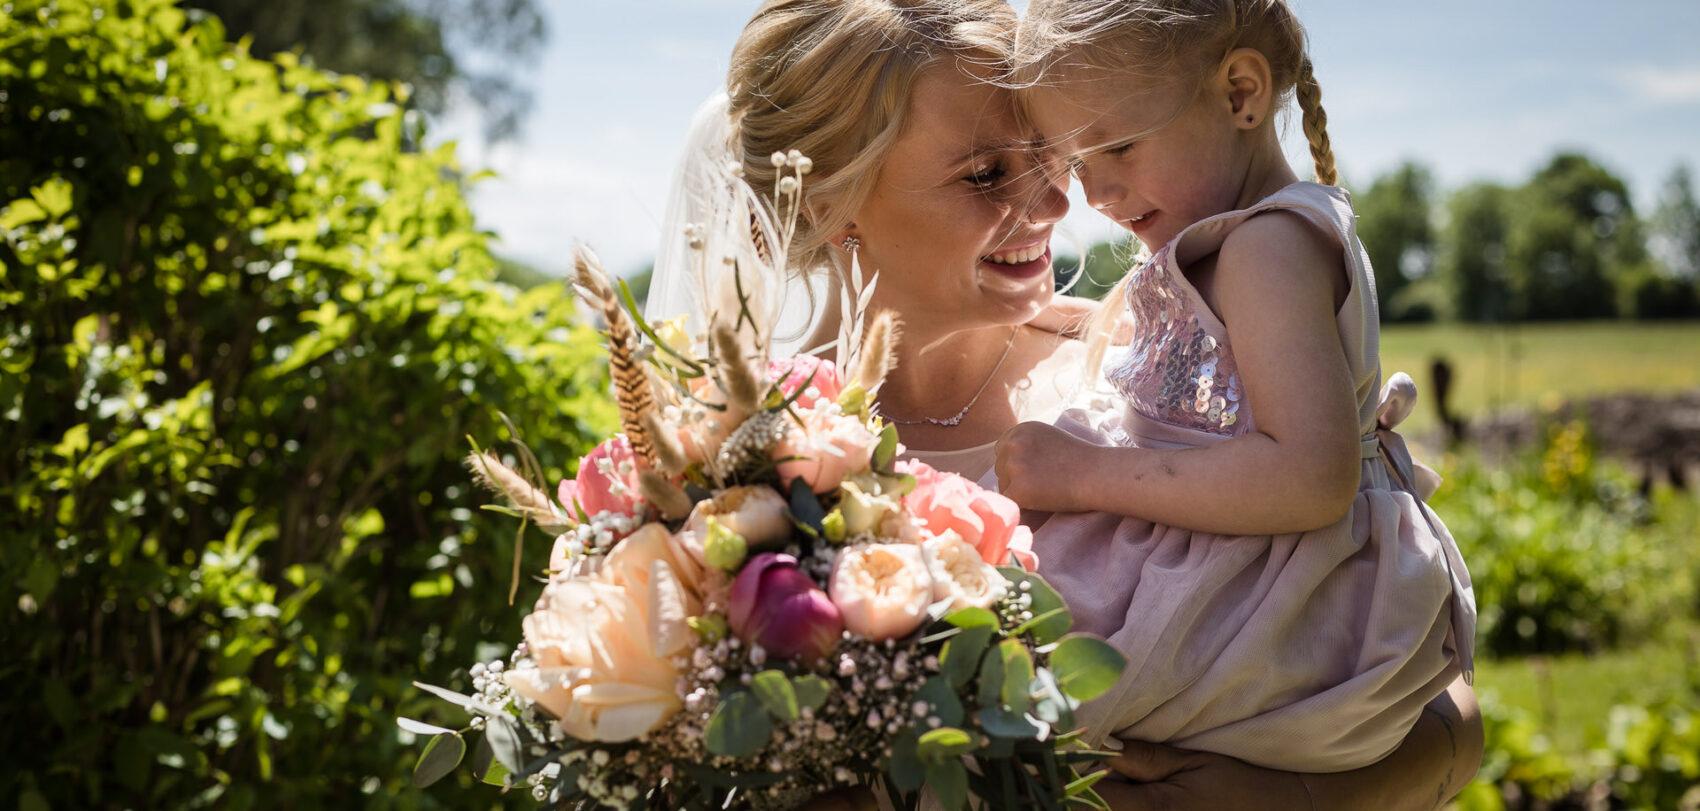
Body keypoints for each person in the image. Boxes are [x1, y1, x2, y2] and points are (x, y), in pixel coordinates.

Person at [651, 0, 1483, 806]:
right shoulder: (749, 464)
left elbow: (1441, 702)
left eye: (1052, 156)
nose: (1060, 205)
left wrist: (1289, 798)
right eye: (985, 174)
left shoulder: (1170, 359)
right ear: (828, 203)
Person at [985, 0, 1477, 784]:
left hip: (1268, 591)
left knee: (988, 672)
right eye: (1078, 166)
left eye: (1117, 147)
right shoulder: (1252, 238)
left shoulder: (1266, 249)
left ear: (1242, 94)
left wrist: (1081, 474)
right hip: (1245, 563)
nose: (1097, 193)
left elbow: (1309, 477)